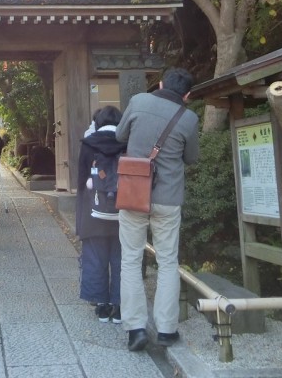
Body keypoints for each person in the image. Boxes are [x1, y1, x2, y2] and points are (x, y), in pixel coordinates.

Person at [115, 67, 199, 352]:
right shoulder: (189, 118)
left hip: (134, 193)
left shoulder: (138, 101)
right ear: (187, 95)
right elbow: (192, 158)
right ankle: (166, 329)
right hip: (168, 198)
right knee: (167, 262)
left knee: (130, 259)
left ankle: (135, 329)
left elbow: (119, 136)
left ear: (160, 83)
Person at [76, 105, 126, 323]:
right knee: (121, 258)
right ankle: (119, 305)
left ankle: (102, 306)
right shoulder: (128, 142)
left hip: (94, 211)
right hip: (123, 210)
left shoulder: (89, 144)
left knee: (95, 258)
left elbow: (80, 180)